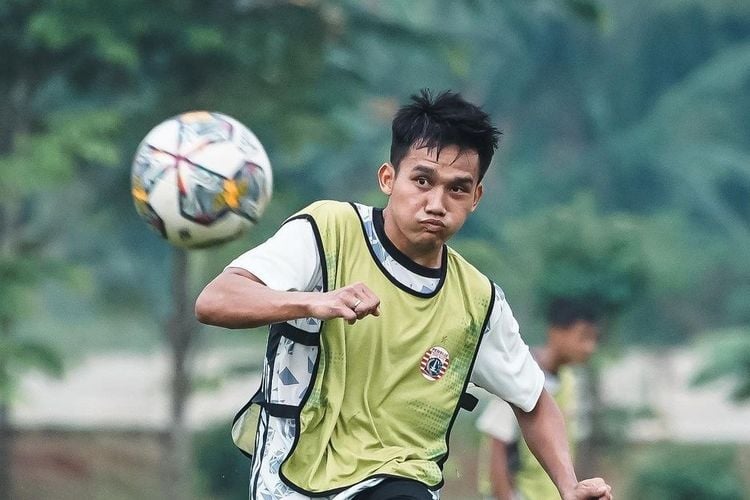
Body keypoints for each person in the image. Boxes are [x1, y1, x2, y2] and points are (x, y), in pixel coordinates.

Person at [195, 89, 613, 500]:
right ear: (388, 178)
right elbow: (216, 300)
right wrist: (312, 302)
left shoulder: (477, 302)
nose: (436, 203)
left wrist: (568, 485)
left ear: (476, 198)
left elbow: (534, 401)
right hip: (291, 479)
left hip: (400, 480)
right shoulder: (328, 232)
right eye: (422, 180)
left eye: (457, 189)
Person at [476, 297, 601, 500]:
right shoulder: (521, 377)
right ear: (556, 332)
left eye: (594, 339)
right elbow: (497, 444)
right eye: (583, 336)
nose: (589, 347)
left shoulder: (569, 382)